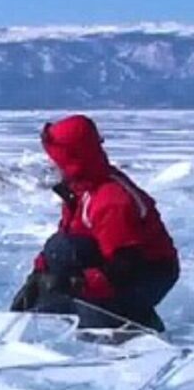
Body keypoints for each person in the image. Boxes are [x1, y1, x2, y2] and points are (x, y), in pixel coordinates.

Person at [11, 115, 179, 332]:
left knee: (75, 275)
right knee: (60, 251)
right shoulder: (82, 189)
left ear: (71, 159)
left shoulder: (111, 199)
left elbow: (126, 264)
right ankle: (94, 314)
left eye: (56, 161)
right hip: (122, 265)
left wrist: (76, 284)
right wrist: (38, 275)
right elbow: (67, 235)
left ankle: (127, 325)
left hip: (148, 273)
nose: (52, 166)